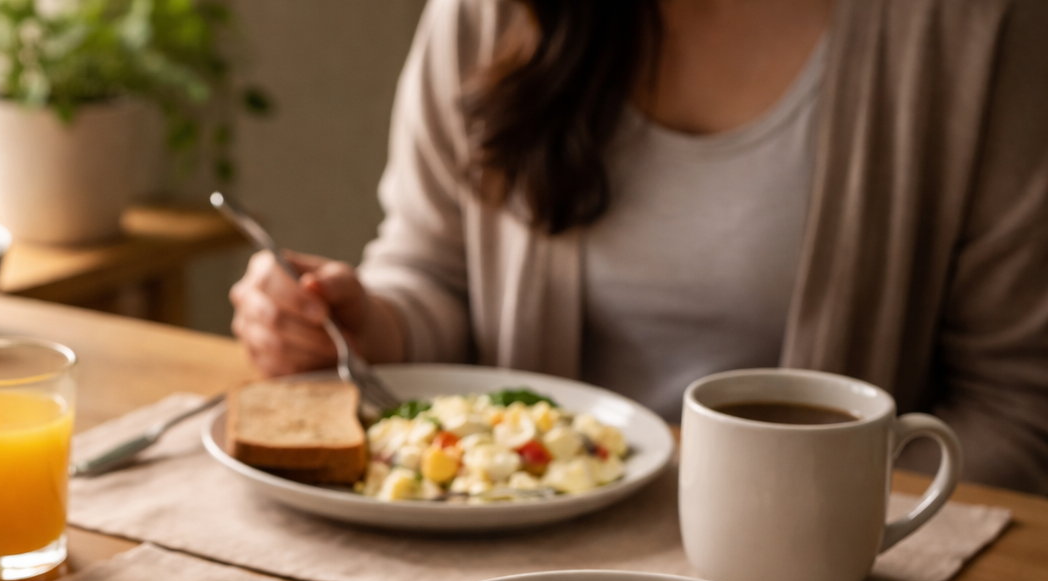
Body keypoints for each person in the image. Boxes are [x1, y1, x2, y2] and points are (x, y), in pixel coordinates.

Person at [228, 0, 1048, 493]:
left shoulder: (973, 31)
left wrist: (829, 514)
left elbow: (1018, 408)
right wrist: (367, 325)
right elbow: (434, 270)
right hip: (507, 557)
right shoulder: (489, 11)